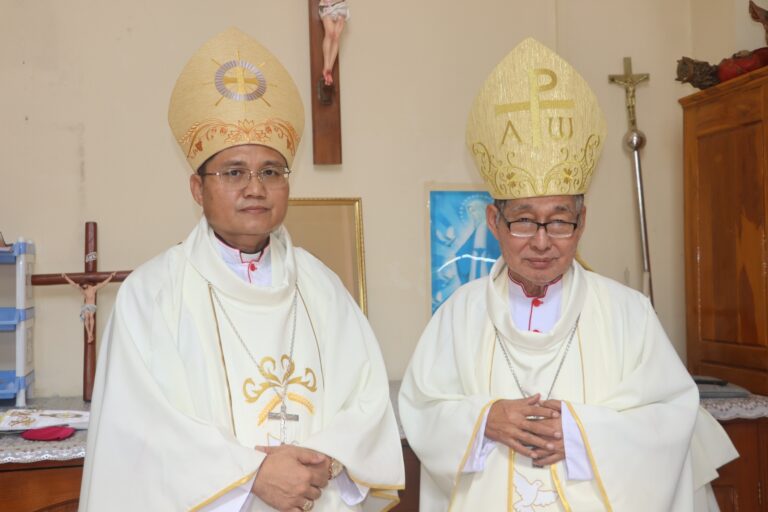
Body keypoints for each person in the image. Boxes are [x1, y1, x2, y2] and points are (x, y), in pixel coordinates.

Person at [399, 38, 737, 511]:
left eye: (559, 221)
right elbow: (421, 409)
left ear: (583, 221)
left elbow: (672, 417)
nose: (541, 242)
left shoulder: (628, 313)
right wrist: (484, 421)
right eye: (523, 220)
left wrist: (582, 434)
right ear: (494, 221)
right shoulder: (459, 316)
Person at [79, 27, 403, 512]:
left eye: (271, 172)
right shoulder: (151, 295)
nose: (256, 188)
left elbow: (366, 400)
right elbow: (140, 432)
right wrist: (252, 476)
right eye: (234, 172)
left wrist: (326, 461)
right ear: (197, 189)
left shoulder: (322, 288)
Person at [62, 271, 115, 344]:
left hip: (92, 306)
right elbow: (73, 284)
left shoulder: (93, 289)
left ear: (86, 283)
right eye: (82, 286)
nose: (84, 287)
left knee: (91, 316)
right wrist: (65, 277)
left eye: (84, 285)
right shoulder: (83, 290)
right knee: (86, 316)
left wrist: (111, 276)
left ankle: (90, 333)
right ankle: (89, 334)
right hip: (86, 306)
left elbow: (103, 283)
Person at [319, 0, 349, 86]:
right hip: (327, 5)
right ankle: (326, 65)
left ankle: (329, 69)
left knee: (336, 36)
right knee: (330, 33)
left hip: (340, 5)